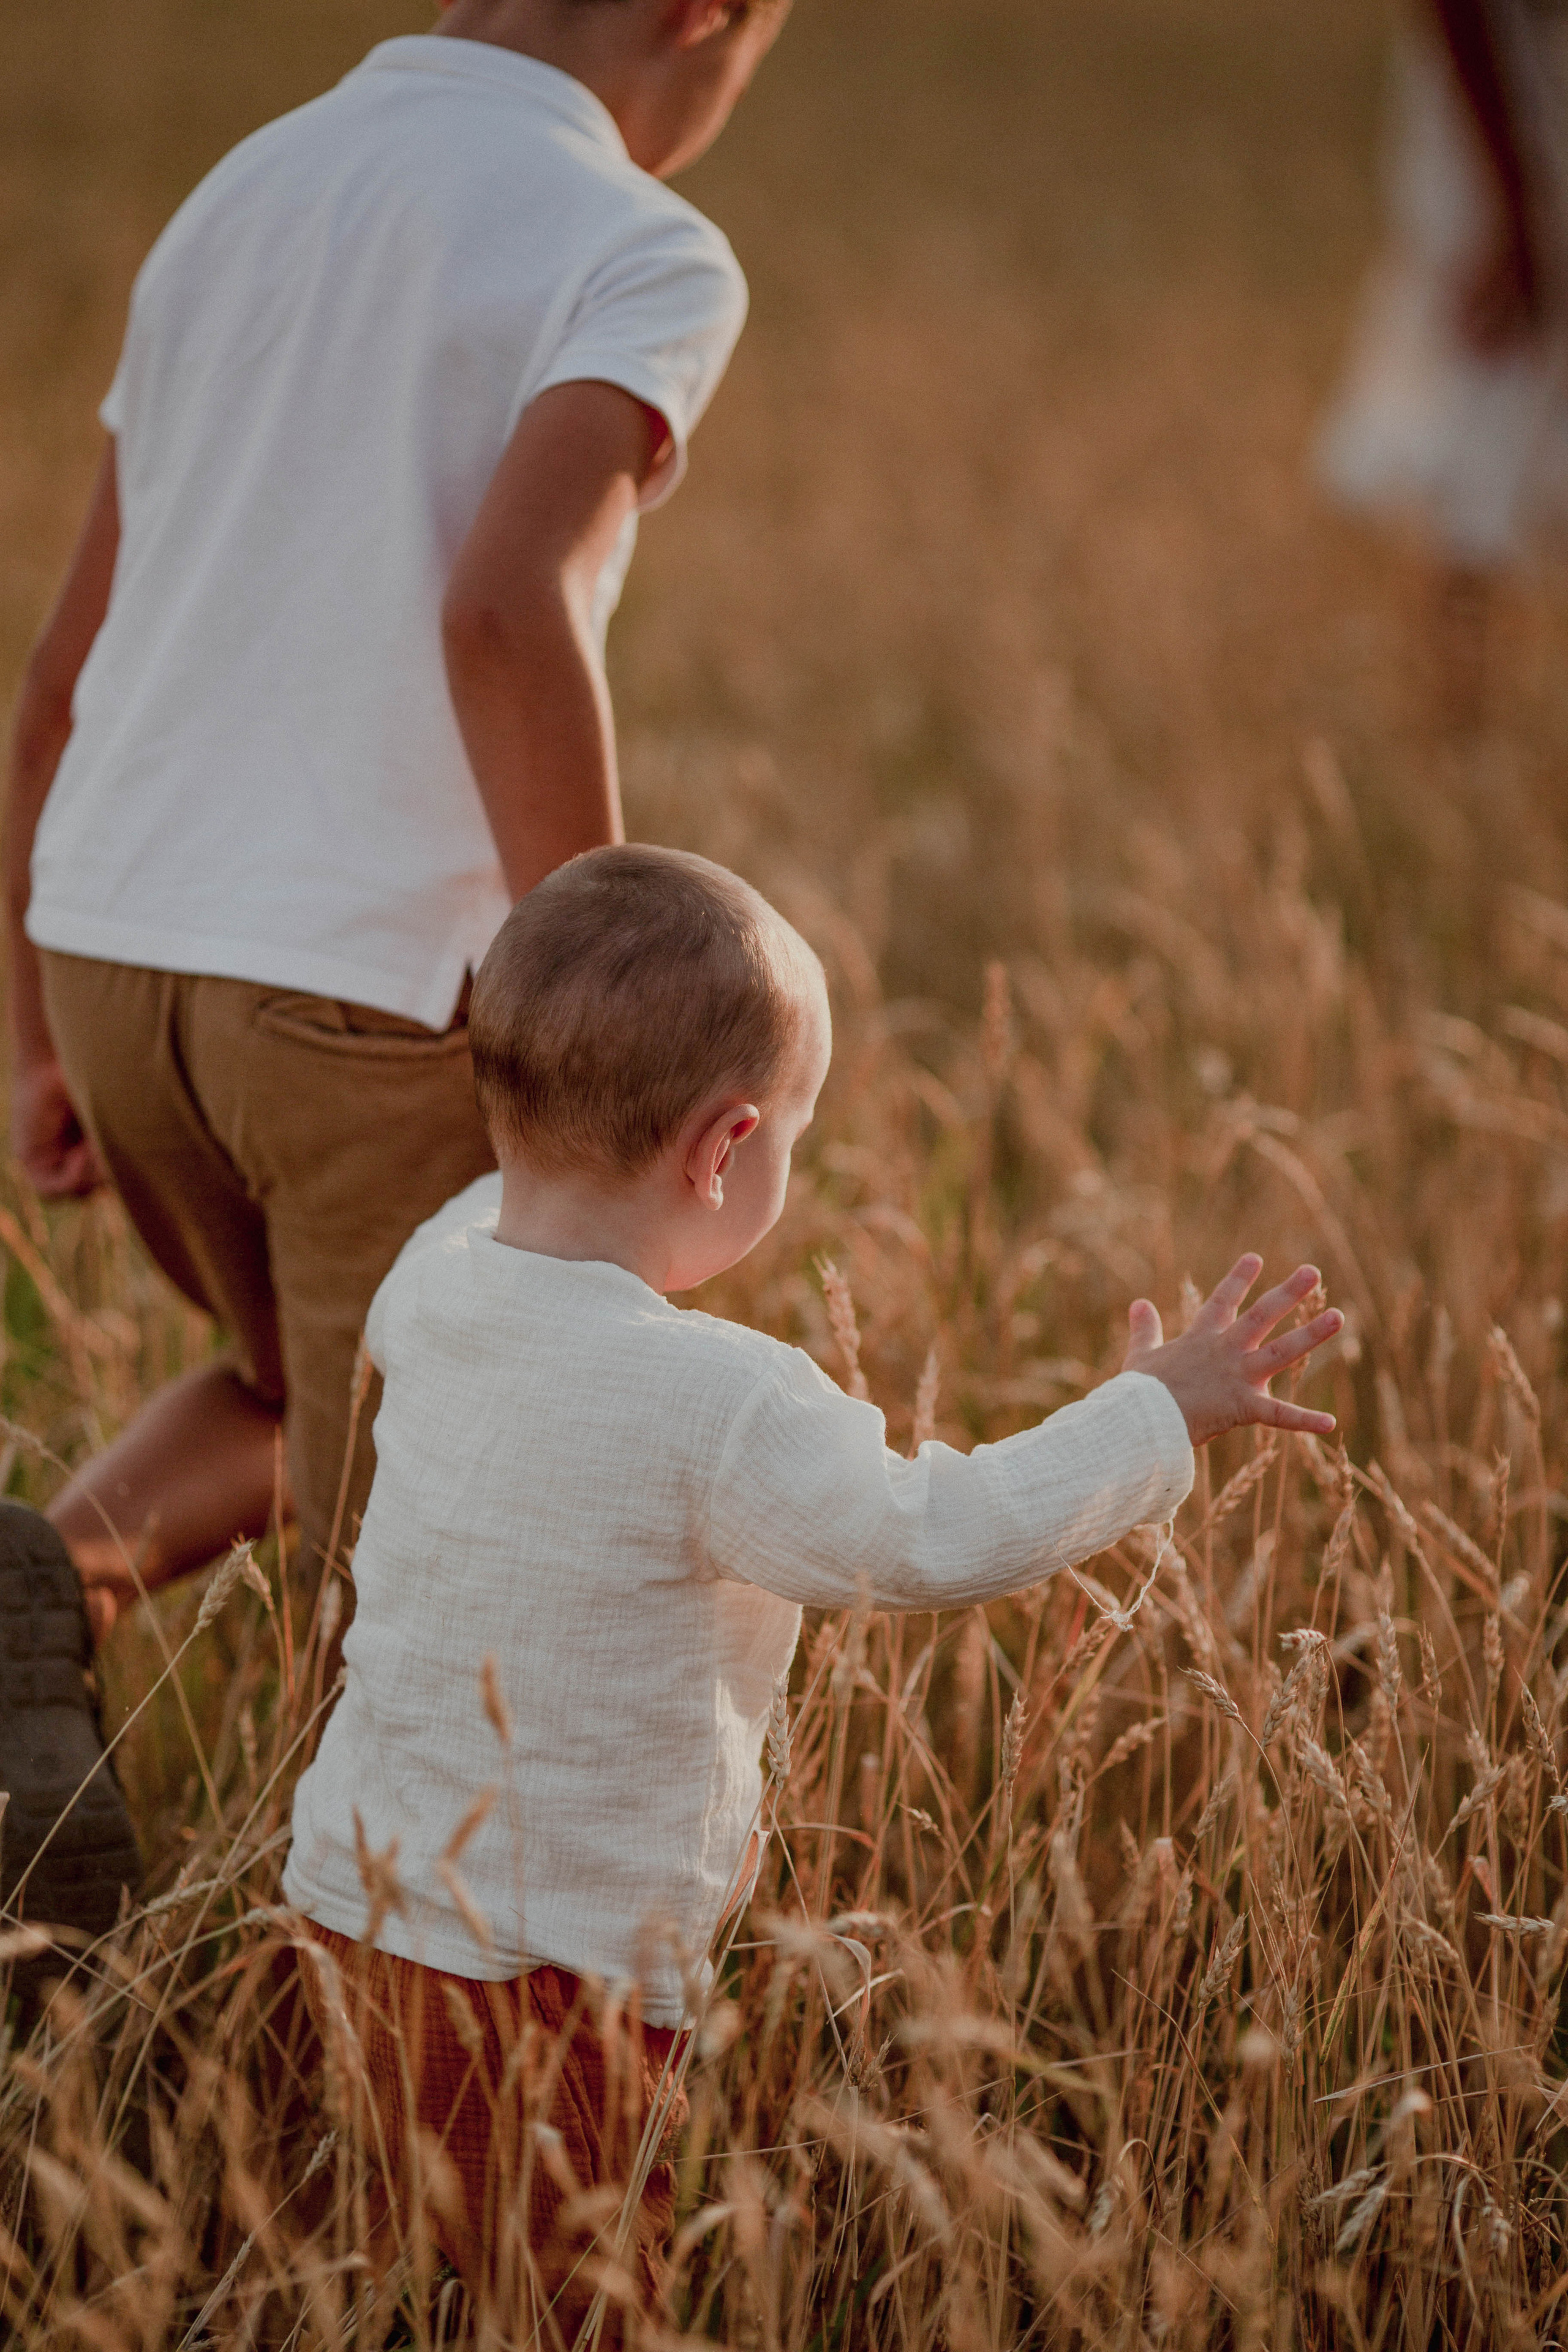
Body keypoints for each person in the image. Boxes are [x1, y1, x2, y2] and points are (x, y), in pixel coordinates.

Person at [279, 844, 1346, 2339]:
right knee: (575, 2309)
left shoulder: (431, 1275)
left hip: (343, 1913)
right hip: (550, 1983)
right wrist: (1151, 1412)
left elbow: (485, 1208)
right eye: (791, 1137)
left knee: (386, 2268)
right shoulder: (715, 1398)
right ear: (723, 1151)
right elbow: (928, 1527)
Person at [1, 0, 786, 1928]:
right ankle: (300, 2068)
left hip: (120, 949)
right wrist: (615, 1032)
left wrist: (32, 1022)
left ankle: (38, 1582)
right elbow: (507, 610)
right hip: (361, 1001)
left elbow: (58, 673)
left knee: (296, 1391)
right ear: (704, 14)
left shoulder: (239, 192)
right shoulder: (638, 241)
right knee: (427, 1576)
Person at [1318, 0, 1568, 698]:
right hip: (1503, 117)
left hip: (1527, 103)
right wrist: (1516, 205)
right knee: (1482, 405)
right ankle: (1453, 706)